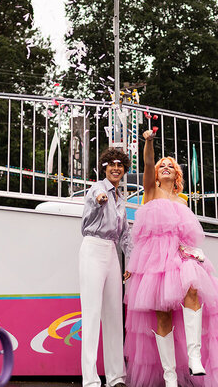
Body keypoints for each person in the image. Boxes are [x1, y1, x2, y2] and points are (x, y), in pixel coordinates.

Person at [123, 130, 218, 387]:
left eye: (171, 165)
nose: (166, 167)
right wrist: (148, 141)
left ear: (177, 175)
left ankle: (194, 356)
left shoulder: (182, 203)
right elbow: (148, 162)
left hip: (179, 258)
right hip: (153, 263)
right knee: (162, 316)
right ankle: (170, 377)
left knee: (193, 289)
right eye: (163, 166)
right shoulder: (151, 192)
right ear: (157, 174)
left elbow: (188, 237)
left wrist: (192, 253)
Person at [80, 146, 133, 387]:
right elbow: (95, 198)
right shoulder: (98, 189)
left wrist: (130, 262)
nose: (115, 168)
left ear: (124, 170)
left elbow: (125, 235)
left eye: (120, 165)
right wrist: (101, 198)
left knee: (114, 314)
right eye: (111, 164)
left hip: (112, 251)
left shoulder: (120, 198)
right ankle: (90, 380)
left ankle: (116, 377)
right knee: (91, 314)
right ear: (105, 167)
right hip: (93, 247)